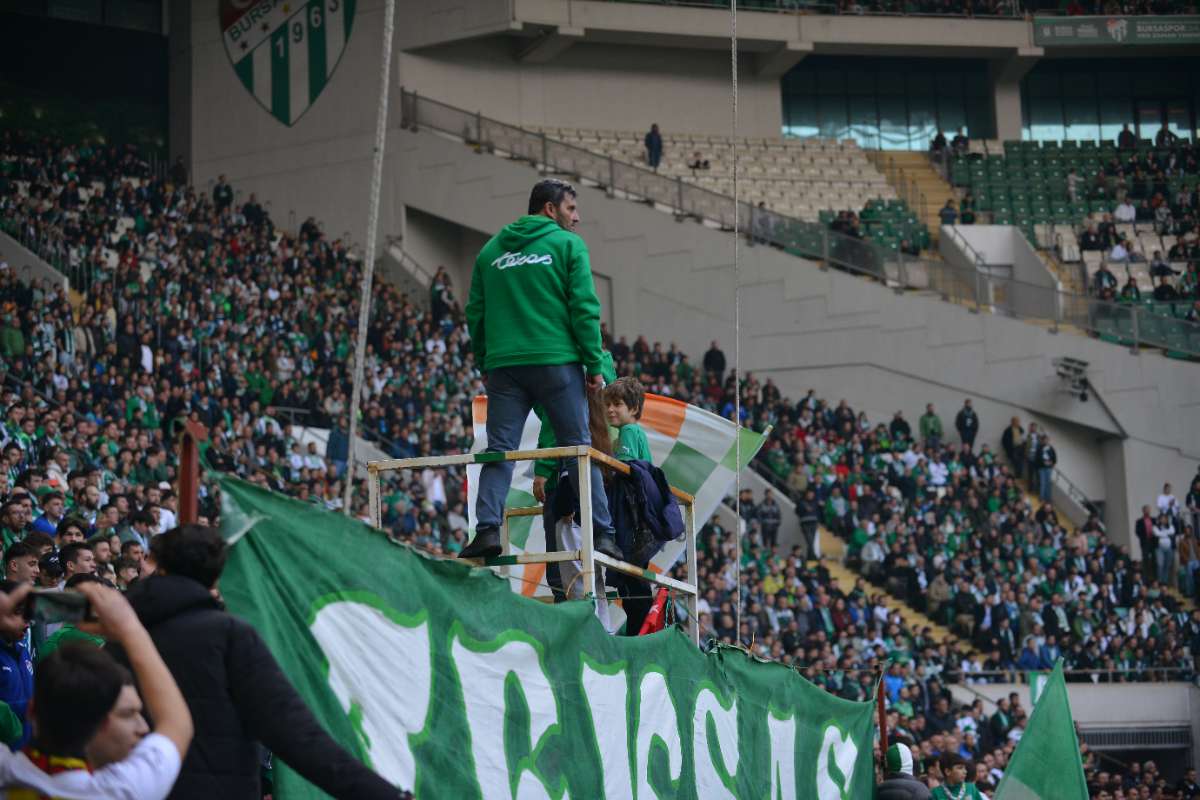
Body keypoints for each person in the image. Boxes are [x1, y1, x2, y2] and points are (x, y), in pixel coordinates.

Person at [123, 525, 401, 799]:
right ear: (217, 577)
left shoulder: (119, 634)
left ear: (158, 565)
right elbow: (295, 734)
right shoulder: (229, 636)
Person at [463, 179, 619, 561]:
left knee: (499, 450)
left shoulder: (489, 252)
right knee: (579, 447)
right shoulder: (568, 246)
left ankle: (486, 530)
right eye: (571, 209)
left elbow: (475, 314)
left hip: (505, 368)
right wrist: (595, 366)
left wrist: (486, 360)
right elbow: (584, 308)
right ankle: (602, 532)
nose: (577, 218)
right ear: (550, 208)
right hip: (556, 362)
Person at [0, 580, 193, 798]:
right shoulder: (121, 791)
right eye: (127, 714)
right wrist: (129, 627)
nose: (143, 727)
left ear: (31, 710)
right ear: (101, 724)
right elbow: (177, 723)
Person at [1037, 433, 1056, 502]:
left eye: (1047, 440)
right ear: (1042, 440)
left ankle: (1048, 498)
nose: (1046, 441)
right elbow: (1038, 458)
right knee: (1043, 483)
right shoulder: (1040, 448)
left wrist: (1052, 463)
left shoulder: (1051, 448)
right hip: (1042, 468)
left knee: (1048, 483)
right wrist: (1043, 463)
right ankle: (1041, 497)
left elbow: (1054, 458)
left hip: (1049, 468)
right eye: (1045, 440)